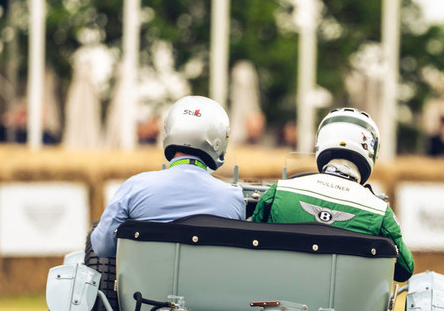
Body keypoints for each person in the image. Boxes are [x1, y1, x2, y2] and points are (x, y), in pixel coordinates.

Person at [250, 107, 414, 282]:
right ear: (371, 151)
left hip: (275, 302)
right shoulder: (380, 212)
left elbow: (251, 243)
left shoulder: (279, 191)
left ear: (321, 141)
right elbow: (405, 269)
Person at [89, 95, 245, 258]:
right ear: (219, 141)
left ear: (169, 130)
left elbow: (102, 246)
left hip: (144, 283)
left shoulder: (135, 187)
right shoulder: (233, 198)